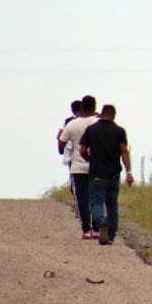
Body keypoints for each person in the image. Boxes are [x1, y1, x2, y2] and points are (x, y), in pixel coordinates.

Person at [80, 104, 134, 246]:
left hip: (96, 172)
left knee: (96, 201)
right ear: (114, 115)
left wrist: (89, 159)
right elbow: (124, 151)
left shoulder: (91, 130)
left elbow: (83, 149)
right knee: (112, 203)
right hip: (113, 173)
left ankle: (101, 221)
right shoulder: (119, 131)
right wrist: (129, 172)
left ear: (101, 113)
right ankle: (111, 234)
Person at [58, 95, 100, 239]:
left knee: (82, 198)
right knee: (96, 197)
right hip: (96, 166)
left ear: (81, 107)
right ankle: (96, 227)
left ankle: (86, 230)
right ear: (95, 107)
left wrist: (62, 147)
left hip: (78, 166)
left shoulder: (72, 124)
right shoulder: (99, 123)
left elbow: (61, 144)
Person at [58, 99, 82, 210]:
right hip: (86, 154)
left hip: (71, 154)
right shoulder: (90, 120)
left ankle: (78, 204)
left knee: (74, 180)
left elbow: (59, 136)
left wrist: (61, 150)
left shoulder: (68, 121)